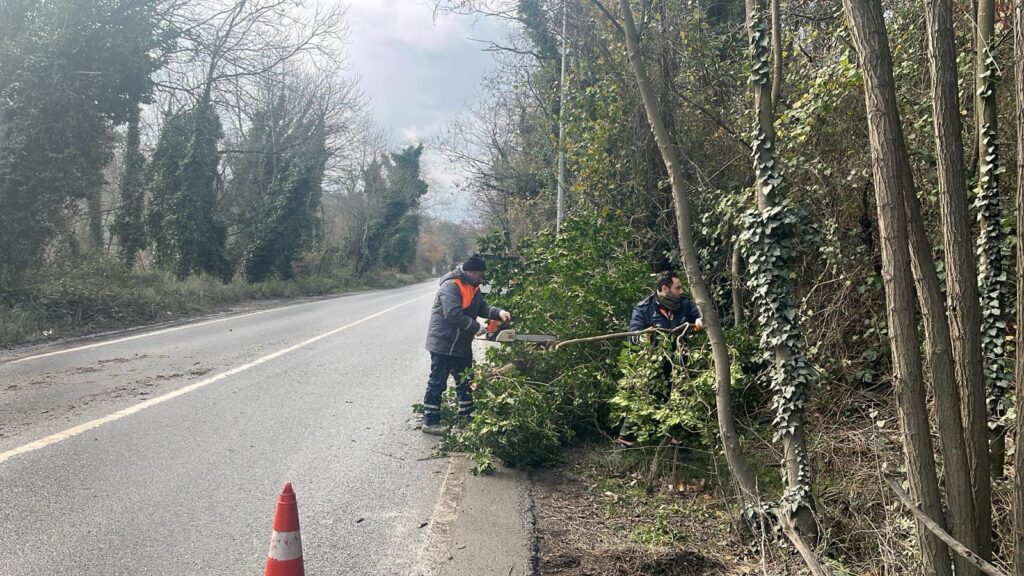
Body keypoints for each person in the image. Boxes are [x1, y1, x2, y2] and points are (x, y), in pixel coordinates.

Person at [421, 254, 511, 436]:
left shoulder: (473, 287)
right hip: (444, 343)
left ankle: (466, 417)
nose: (481, 279)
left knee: (465, 381)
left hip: (461, 343)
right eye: (480, 275)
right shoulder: (451, 286)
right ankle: (430, 421)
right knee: (438, 382)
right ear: (470, 272)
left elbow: (482, 307)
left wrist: (498, 313)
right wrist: (477, 327)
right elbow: (453, 314)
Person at [618, 271, 703, 446]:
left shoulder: (684, 304)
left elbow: (698, 315)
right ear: (665, 288)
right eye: (677, 287)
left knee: (678, 399)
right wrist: (642, 337)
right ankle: (625, 441)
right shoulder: (644, 308)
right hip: (652, 365)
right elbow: (632, 335)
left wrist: (699, 320)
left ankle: (675, 440)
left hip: (679, 362)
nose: (681, 291)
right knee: (643, 399)